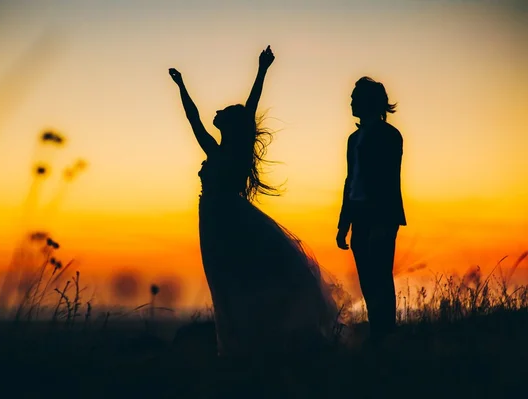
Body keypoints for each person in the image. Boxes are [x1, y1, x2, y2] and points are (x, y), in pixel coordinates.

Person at [169, 46, 338, 357]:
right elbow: (194, 118)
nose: (216, 113)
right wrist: (181, 86)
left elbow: (249, 106)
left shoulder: (232, 154)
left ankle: (249, 345)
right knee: (224, 282)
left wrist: (262, 70)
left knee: (234, 279)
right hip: (214, 221)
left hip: (228, 221)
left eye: (223, 112)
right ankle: (238, 344)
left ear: (232, 125)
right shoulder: (216, 150)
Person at [336, 77, 406, 343]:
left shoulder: (390, 136)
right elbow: (349, 182)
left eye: (355, 97)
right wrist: (344, 224)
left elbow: (388, 181)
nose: (351, 101)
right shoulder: (353, 139)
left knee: (381, 278)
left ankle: (386, 334)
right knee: (367, 280)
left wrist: (382, 224)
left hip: (381, 218)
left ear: (369, 102)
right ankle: (379, 334)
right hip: (360, 217)